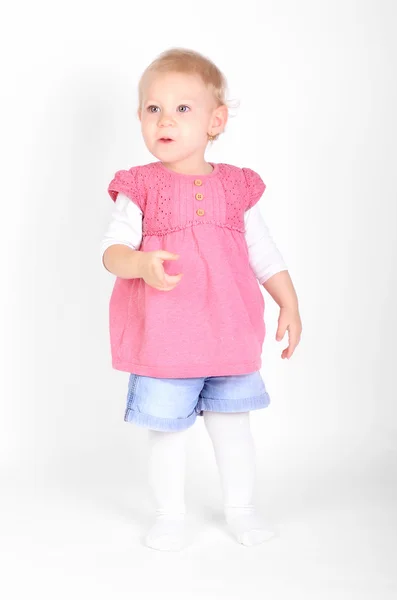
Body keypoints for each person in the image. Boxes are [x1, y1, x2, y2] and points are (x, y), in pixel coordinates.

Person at [101, 48, 302, 552]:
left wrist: (289, 303)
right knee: (167, 431)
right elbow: (111, 252)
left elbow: (263, 253)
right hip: (166, 341)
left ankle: (242, 508)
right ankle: (169, 514)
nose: (164, 119)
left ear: (217, 120)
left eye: (182, 108)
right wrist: (141, 264)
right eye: (152, 108)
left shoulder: (237, 188)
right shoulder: (141, 187)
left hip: (229, 334)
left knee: (233, 427)